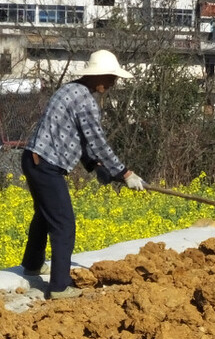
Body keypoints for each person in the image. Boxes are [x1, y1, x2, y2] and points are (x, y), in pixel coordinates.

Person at [21, 49, 146, 299]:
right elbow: (97, 141)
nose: (113, 83)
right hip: (45, 164)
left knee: (46, 216)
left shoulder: (71, 90)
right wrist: (124, 172)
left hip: (33, 159)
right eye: (111, 77)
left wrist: (96, 167)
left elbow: (77, 139)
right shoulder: (84, 100)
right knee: (63, 223)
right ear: (97, 76)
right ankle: (58, 287)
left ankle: (33, 265)